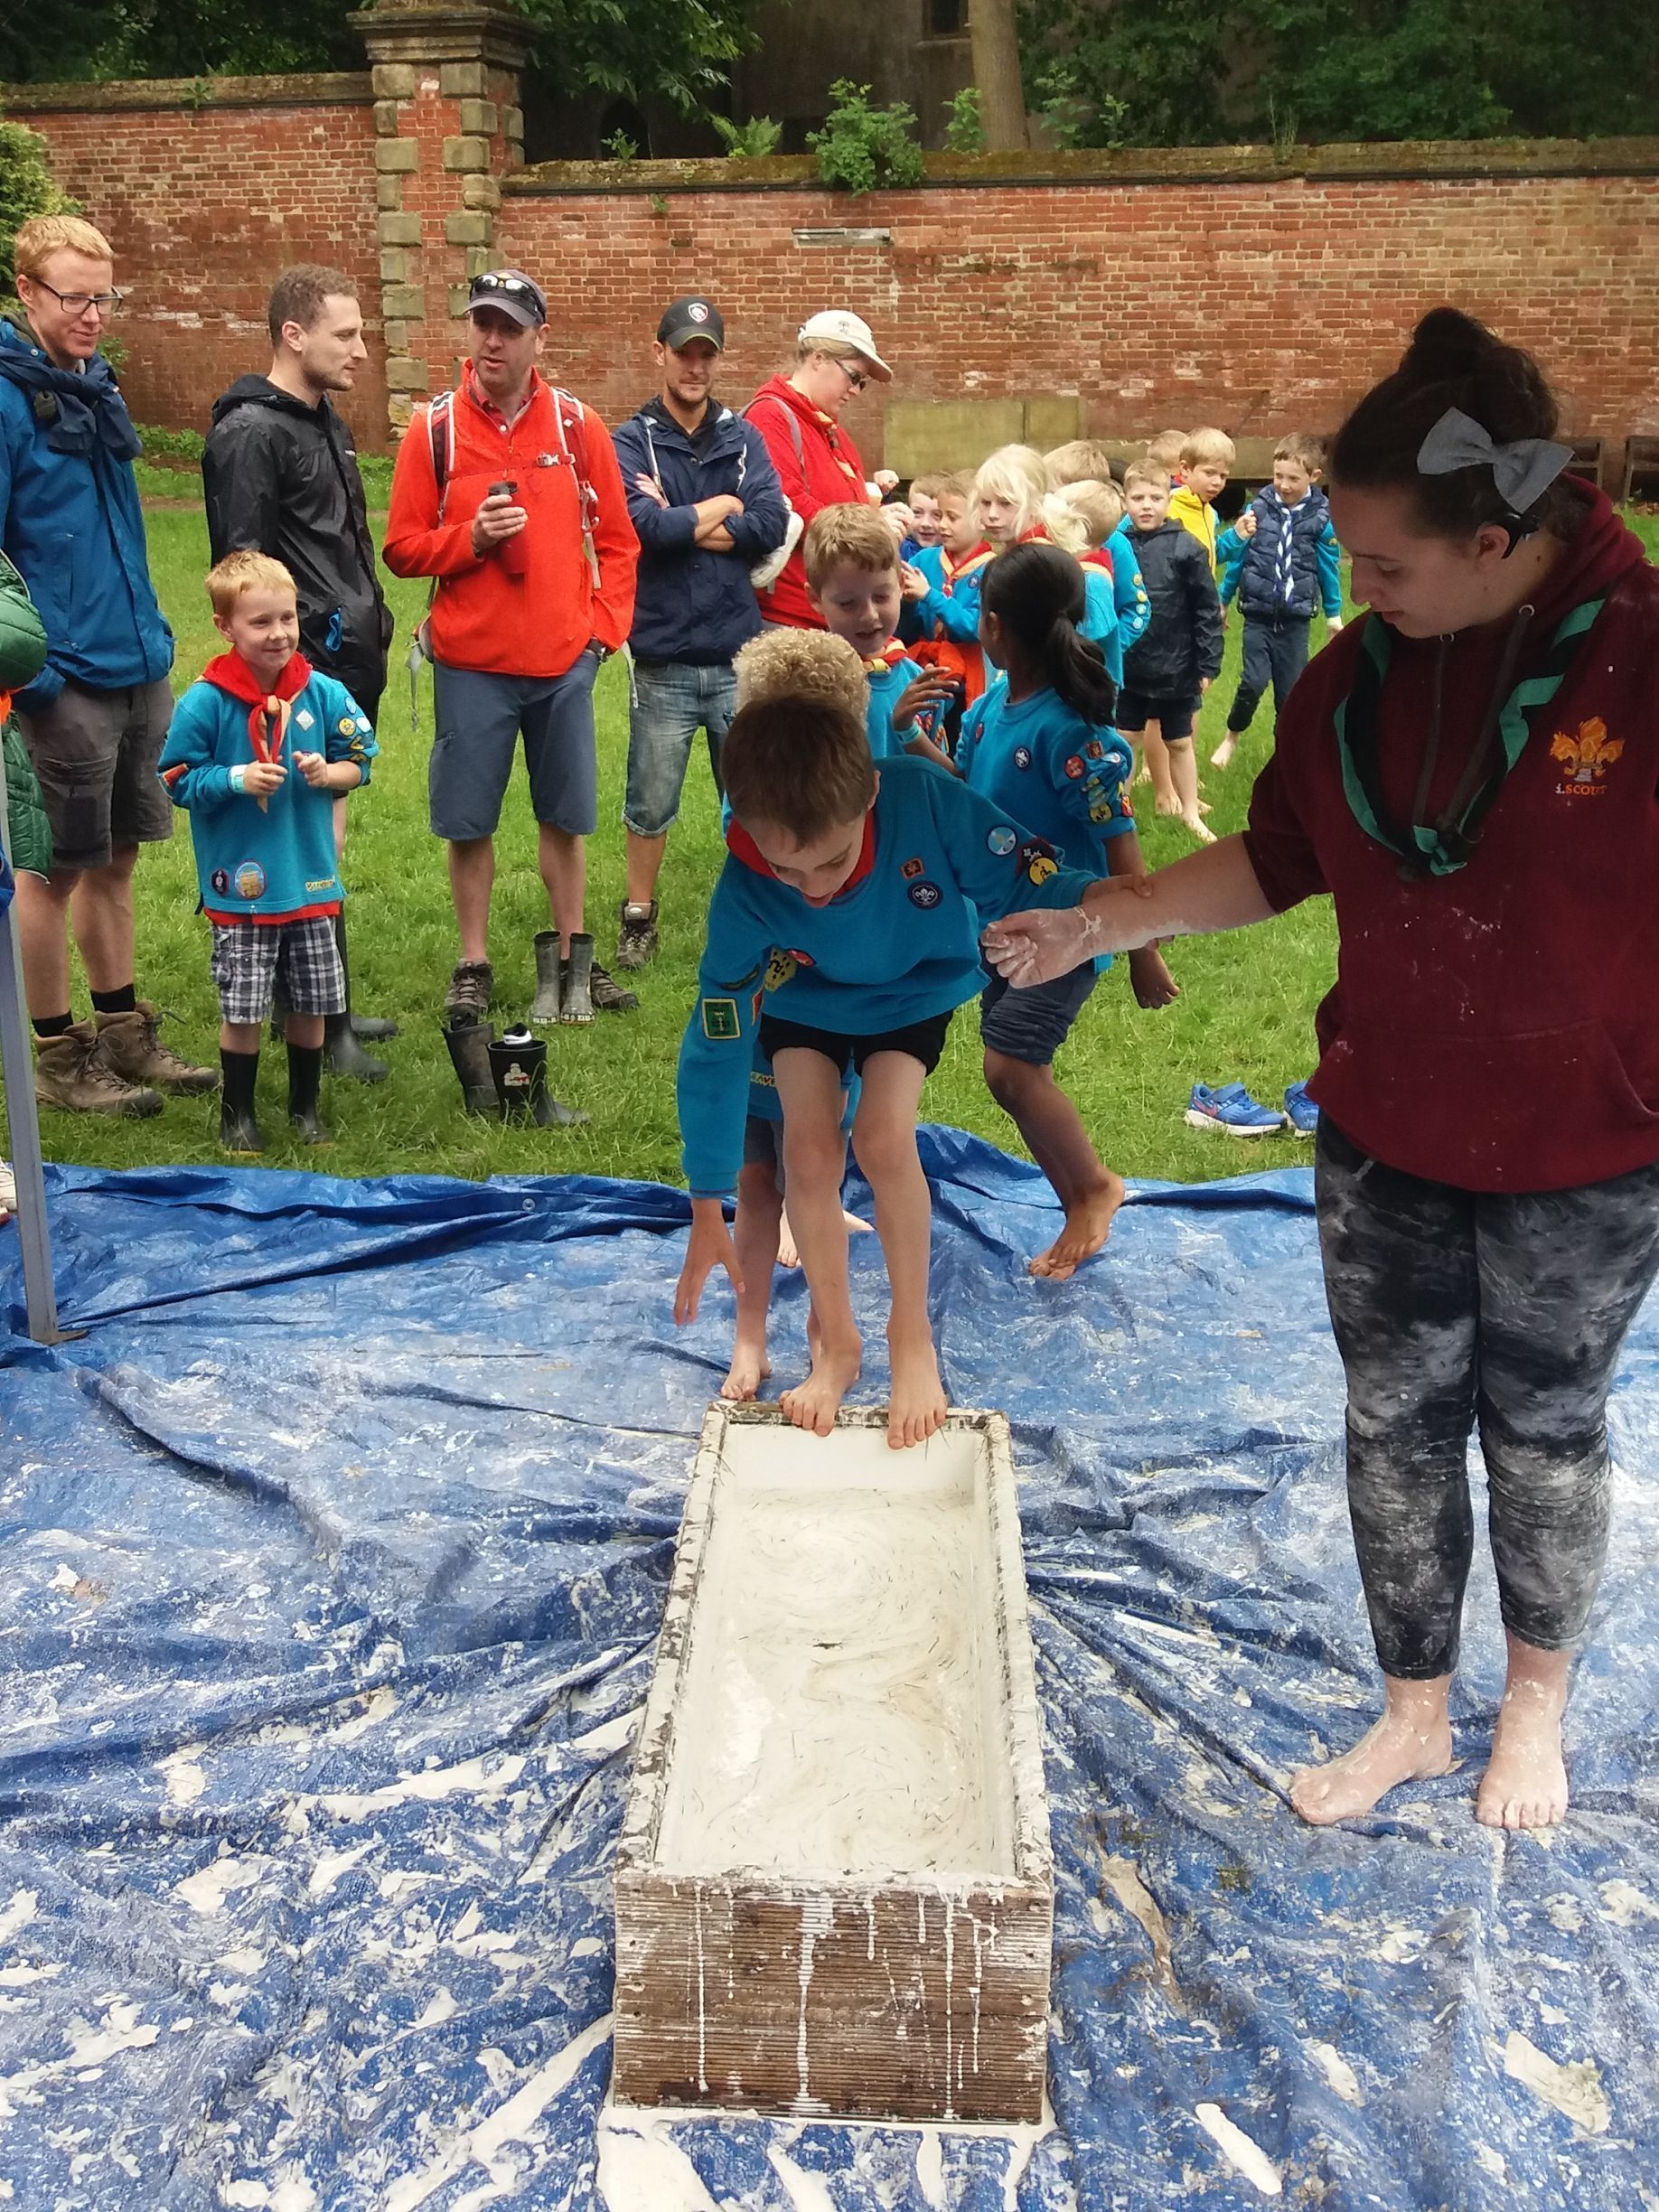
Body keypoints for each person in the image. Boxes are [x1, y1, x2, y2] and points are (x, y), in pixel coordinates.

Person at [983, 306, 1659, 1835]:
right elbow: (1277, 857)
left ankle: (1533, 1705)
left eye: (1390, 568)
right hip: (1387, 1131)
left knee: (1544, 1436)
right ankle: (1414, 1711)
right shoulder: (1356, 677)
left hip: (1584, 1142)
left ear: (1495, 541)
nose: (1357, 596)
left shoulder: (1638, 652)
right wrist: (1097, 921)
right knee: (1394, 1423)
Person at [672, 671, 1110, 1449]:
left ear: (869, 795)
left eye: (832, 863)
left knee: (880, 1136)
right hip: (805, 999)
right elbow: (716, 1039)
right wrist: (709, 1194)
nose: (810, 891)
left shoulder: (923, 801)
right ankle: (836, 1343)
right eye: (786, 870)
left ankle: (912, 1337)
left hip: (913, 991)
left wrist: (1118, 910)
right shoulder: (746, 883)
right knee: (806, 1147)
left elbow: (1028, 872)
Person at [383, 267, 639, 1030]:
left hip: (562, 663)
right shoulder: (435, 430)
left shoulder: (575, 426)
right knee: (469, 821)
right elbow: (400, 548)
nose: (491, 340)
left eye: (509, 328)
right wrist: (468, 540)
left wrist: (602, 632)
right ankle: (473, 962)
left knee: (566, 815)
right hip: (470, 665)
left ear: (539, 339)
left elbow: (620, 543)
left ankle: (572, 959)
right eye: (481, 324)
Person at [0, 214, 214, 1117]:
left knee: (118, 858)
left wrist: (154, 638)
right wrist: (36, 676)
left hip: (134, 662)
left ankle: (123, 1030)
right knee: (51, 871)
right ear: (25, 292)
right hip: (64, 679)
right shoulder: (8, 397)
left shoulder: (90, 385)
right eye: (74, 297)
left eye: (103, 297)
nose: (93, 314)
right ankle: (57, 1054)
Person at [959, 543, 1176, 1277]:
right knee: (1008, 1071)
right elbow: (966, 799)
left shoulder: (1072, 734)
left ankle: (1093, 1188)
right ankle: (1082, 1191)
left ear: (992, 627)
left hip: (1068, 934)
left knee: (1012, 1068)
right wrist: (913, 740)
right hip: (1004, 931)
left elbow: (1121, 842)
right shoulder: (989, 711)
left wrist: (1142, 948)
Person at [202, 264, 396, 1081]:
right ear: (294, 335)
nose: (360, 350)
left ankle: (324, 1002)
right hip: (298, 672)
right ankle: (322, 1024)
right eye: (345, 334)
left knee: (325, 834)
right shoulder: (251, 433)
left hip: (346, 661)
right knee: (305, 837)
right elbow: (243, 570)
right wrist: (281, 676)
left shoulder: (323, 420)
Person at [158, 552, 376, 1154]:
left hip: (311, 883)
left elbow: (363, 760)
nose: (279, 633)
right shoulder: (205, 702)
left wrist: (328, 773)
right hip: (242, 890)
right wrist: (233, 780)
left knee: (312, 1004)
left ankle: (306, 1111)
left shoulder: (323, 692)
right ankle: (239, 1117)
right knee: (245, 1009)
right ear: (225, 627)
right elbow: (175, 777)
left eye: (287, 618)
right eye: (261, 623)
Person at [609, 295, 788, 971]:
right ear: (660, 354)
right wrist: (723, 508)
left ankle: (771, 915)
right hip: (664, 657)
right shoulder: (632, 441)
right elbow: (643, 530)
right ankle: (638, 916)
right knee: (650, 799)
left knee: (753, 797)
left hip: (739, 653)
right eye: (683, 351)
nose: (694, 365)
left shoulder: (743, 438)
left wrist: (687, 521)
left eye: (706, 352)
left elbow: (771, 523)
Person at [716, 627, 871, 1401]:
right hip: (755, 1008)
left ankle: (821, 1323)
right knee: (754, 1181)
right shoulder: (747, 806)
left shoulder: (854, 811)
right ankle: (750, 1334)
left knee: (815, 1170)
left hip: (827, 1015)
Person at [745, 310, 891, 630]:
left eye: (862, 384)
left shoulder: (826, 427)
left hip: (827, 614)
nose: (855, 390)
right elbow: (787, 502)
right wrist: (869, 532)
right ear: (818, 358)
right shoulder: (770, 416)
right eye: (853, 377)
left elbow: (850, 505)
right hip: (787, 617)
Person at [1211, 434, 1345, 771]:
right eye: (1278, 476)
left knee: (1291, 693)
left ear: (1314, 477)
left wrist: (1334, 614)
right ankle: (1231, 736)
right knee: (1253, 682)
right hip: (1257, 614)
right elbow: (1240, 558)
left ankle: (1285, 753)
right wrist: (1223, 599)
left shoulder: (1322, 518)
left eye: (1293, 478)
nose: (1283, 485)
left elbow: (1329, 567)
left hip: (1295, 619)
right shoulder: (1258, 509)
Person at [1116, 462, 1223, 842]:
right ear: (1124, 501)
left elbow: (1207, 609)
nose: (1147, 506)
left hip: (1177, 665)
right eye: (1138, 498)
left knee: (1178, 741)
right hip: (1128, 664)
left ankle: (1190, 811)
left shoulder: (1185, 546)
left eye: (1156, 498)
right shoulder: (1117, 547)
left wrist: (1208, 662)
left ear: (1169, 499)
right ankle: (1119, 808)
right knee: (1124, 737)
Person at [803, 505, 957, 772]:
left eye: (881, 597)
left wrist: (908, 731)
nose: (869, 615)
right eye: (848, 603)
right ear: (816, 599)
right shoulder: (806, 687)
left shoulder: (916, 682)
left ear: (900, 585)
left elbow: (948, 779)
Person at [901, 475, 992, 725]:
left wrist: (929, 596)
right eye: (941, 515)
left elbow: (975, 628)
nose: (942, 525)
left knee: (960, 733)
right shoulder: (924, 560)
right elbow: (906, 629)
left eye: (952, 517)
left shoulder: (992, 568)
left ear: (981, 521)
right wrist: (907, 603)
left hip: (970, 675)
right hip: (927, 666)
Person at [1169, 428, 1234, 576]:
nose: (1217, 482)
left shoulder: (1210, 513)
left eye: (1223, 476)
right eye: (1209, 473)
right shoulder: (1167, 505)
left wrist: (1237, 535)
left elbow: (1208, 557)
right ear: (1185, 469)